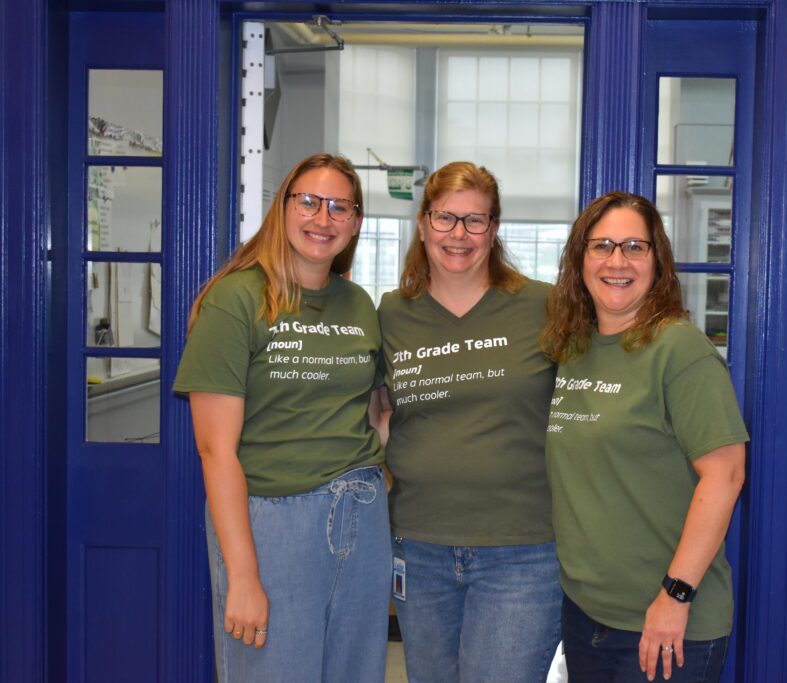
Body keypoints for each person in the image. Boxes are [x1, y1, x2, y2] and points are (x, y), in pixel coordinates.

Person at [173, 153, 390, 681]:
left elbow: (370, 412)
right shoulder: (236, 299)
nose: (323, 218)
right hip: (274, 523)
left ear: (356, 222)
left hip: (362, 514)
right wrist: (243, 575)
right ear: (283, 207)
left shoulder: (359, 304)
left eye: (339, 207)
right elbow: (214, 450)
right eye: (309, 202)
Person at [542, 192, 749, 683]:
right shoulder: (574, 348)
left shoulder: (679, 349)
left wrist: (675, 595)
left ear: (658, 262)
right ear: (580, 259)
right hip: (586, 614)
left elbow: (726, 475)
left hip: (666, 621)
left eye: (635, 246)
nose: (617, 261)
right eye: (602, 246)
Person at [377, 161, 562, 683]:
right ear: (423, 224)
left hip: (522, 551)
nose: (458, 234)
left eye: (475, 220)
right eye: (445, 218)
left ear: (493, 229)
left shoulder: (543, 306)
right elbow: (378, 413)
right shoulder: (392, 313)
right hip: (418, 546)